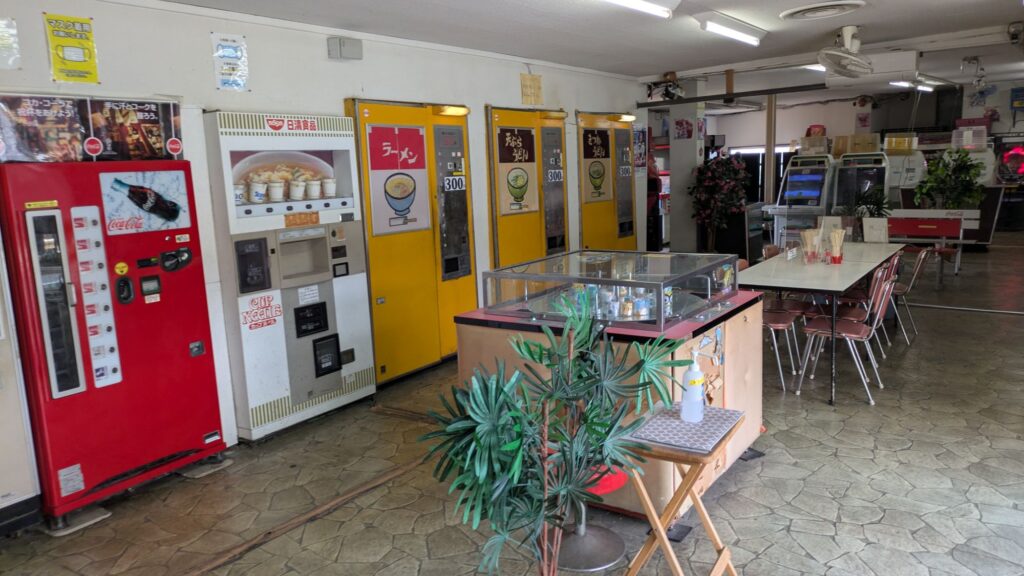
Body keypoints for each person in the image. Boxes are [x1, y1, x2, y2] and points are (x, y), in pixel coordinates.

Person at [646, 154, 663, 251]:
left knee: (651, 218)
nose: (654, 162)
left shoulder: (652, 169)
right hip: (651, 197)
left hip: (652, 197)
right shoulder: (650, 170)